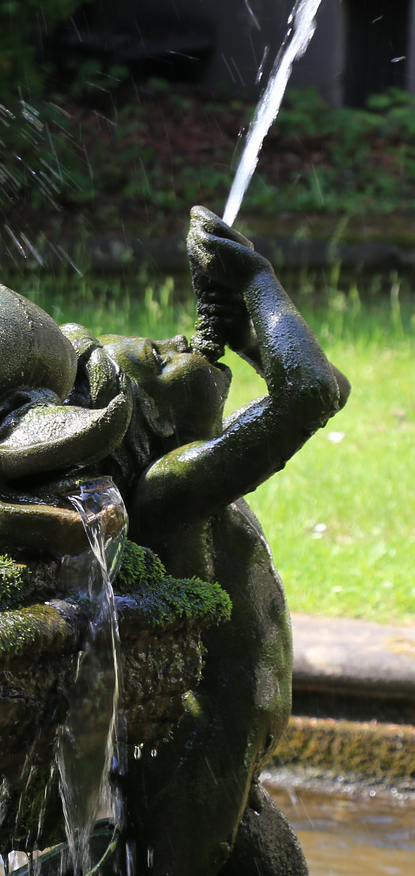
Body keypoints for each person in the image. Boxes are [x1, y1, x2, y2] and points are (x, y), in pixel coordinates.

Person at [65, 206, 349, 875]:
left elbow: (326, 384)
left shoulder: (193, 475)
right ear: (148, 419)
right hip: (197, 750)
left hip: (226, 753)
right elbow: (305, 391)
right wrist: (255, 280)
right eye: (161, 358)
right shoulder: (167, 490)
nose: (178, 341)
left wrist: (252, 334)